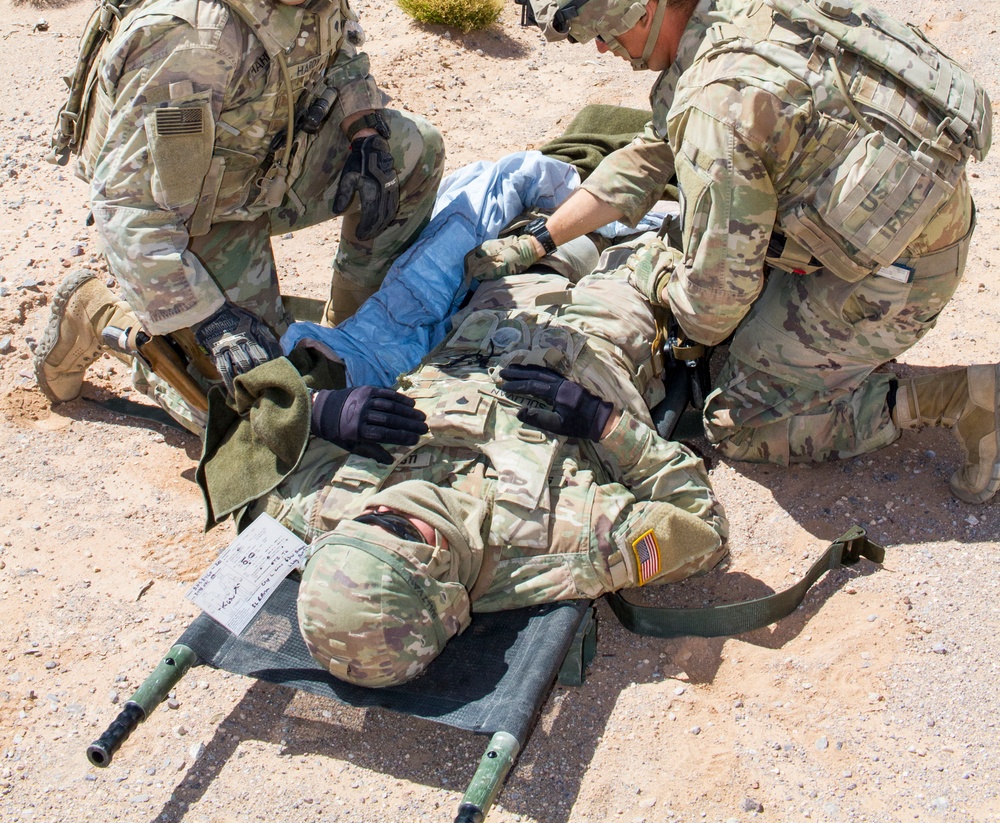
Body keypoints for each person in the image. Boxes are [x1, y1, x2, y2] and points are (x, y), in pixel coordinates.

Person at [466, 0, 999, 504]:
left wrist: (656, 272)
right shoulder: (735, 11)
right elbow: (650, 154)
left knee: (738, 421)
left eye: (606, 35)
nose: (601, 49)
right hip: (907, 220)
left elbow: (709, 311)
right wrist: (538, 241)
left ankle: (959, 398)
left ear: (645, 10)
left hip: (895, 277)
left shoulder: (714, 111)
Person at [35, 0, 444, 423]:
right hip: (197, 206)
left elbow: (344, 49)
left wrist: (362, 131)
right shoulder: (192, 41)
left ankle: (355, 338)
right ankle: (98, 313)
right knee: (262, 408)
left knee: (411, 150)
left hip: (266, 157)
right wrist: (211, 321)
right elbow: (132, 209)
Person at [199, 257, 727, 688]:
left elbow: (244, 457)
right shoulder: (569, 541)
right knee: (666, 222)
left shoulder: (321, 516)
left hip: (488, 309)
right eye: (401, 531)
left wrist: (319, 412)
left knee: (546, 212)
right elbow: (701, 530)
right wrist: (605, 423)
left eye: (364, 521)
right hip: (605, 324)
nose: (385, 508)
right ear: (446, 593)